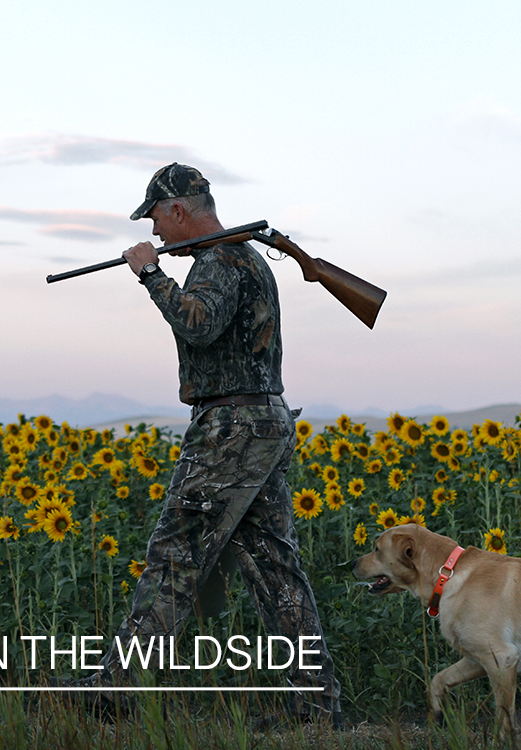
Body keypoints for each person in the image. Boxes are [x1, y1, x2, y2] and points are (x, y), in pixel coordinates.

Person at [74, 163, 342, 726]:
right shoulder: (243, 257)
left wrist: (150, 275)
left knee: (176, 556)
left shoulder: (219, 261)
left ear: (177, 210)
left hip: (231, 430)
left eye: (156, 219)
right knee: (275, 570)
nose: (156, 234)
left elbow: (197, 323)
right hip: (262, 423)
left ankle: (114, 689)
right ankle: (317, 708)